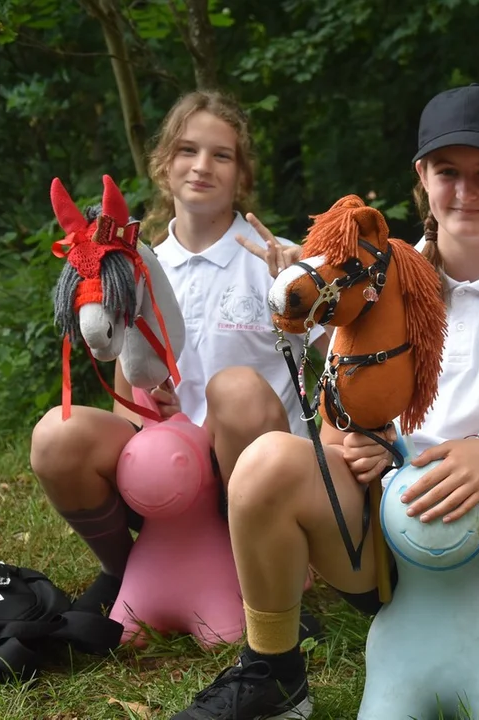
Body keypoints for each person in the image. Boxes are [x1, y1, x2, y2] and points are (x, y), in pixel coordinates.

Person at [171, 84, 479, 720]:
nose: (466, 192)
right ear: (421, 179)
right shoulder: (366, 287)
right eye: (447, 173)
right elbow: (332, 431)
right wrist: (357, 448)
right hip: (385, 549)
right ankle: (275, 670)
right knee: (267, 458)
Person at [30, 90, 319, 620]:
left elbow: (356, 346)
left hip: (254, 470)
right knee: (56, 435)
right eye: (187, 150)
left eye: (222, 154)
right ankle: (126, 568)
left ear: (241, 174)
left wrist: (309, 286)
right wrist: (147, 423)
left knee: (235, 388)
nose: (202, 166)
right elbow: (125, 394)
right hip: (171, 474)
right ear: (163, 165)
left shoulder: (278, 261)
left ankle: (267, 566)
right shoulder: (137, 266)